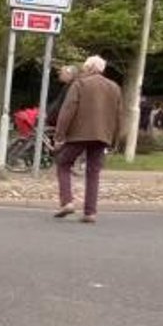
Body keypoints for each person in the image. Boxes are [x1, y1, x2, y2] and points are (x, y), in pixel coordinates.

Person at [52, 55, 123, 224]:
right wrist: (115, 139)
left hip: (78, 134)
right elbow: (119, 116)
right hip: (102, 135)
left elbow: (68, 110)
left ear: (90, 68)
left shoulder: (80, 84)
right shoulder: (114, 87)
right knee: (93, 172)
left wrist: (60, 135)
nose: (83, 70)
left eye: (84, 67)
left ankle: (67, 202)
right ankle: (90, 212)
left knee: (63, 163)